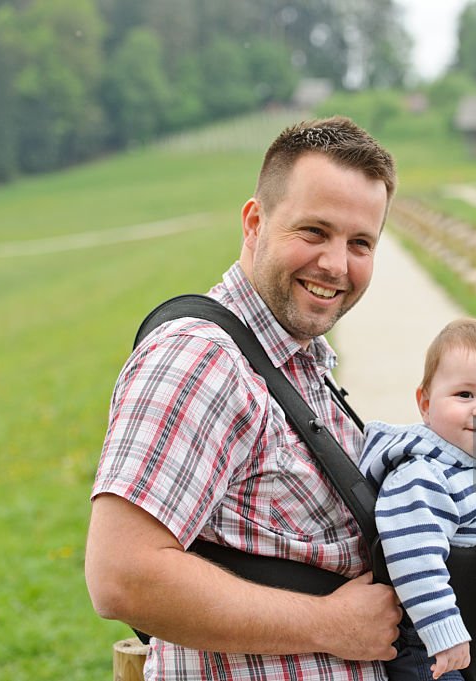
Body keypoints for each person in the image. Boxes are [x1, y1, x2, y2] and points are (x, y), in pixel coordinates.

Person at [85, 116, 402, 681]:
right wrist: (329, 624)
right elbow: (122, 577)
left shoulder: (299, 361)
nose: (336, 264)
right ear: (255, 223)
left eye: (360, 243)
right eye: (313, 232)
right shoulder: (200, 359)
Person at [360, 319, 476, 681]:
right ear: (425, 402)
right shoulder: (423, 476)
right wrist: (443, 633)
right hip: (425, 637)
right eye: (465, 395)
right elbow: (414, 559)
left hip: (459, 622)